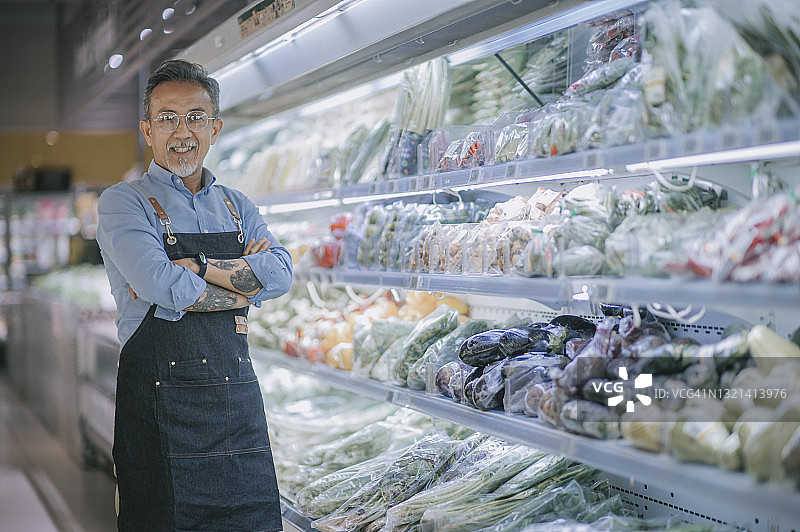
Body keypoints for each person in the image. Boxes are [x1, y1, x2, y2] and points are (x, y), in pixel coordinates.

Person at [96, 59, 292, 531]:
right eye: (167, 117)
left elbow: (281, 274)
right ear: (147, 129)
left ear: (215, 128)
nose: (182, 131)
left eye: (195, 117)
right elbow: (161, 283)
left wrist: (201, 267)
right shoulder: (125, 203)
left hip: (237, 411)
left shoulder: (238, 205)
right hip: (159, 413)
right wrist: (245, 283)